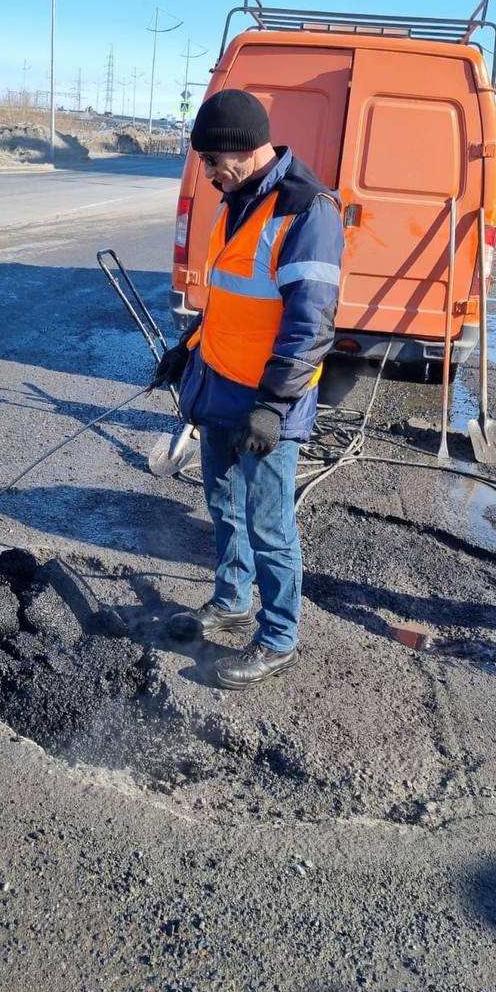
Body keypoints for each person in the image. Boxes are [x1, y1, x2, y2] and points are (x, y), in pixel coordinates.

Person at [154, 89, 344, 690]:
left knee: (268, 523)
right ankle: (233, 599)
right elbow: (233, 301)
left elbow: (310, 323)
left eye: (212, 161)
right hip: (218, 386)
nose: (207, 174)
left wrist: (273, 404)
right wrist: (186, 351)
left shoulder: (306, 210)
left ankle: (280, 634)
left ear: (243, 149)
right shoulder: (236, 199)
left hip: (266, 402)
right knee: (223, 504)